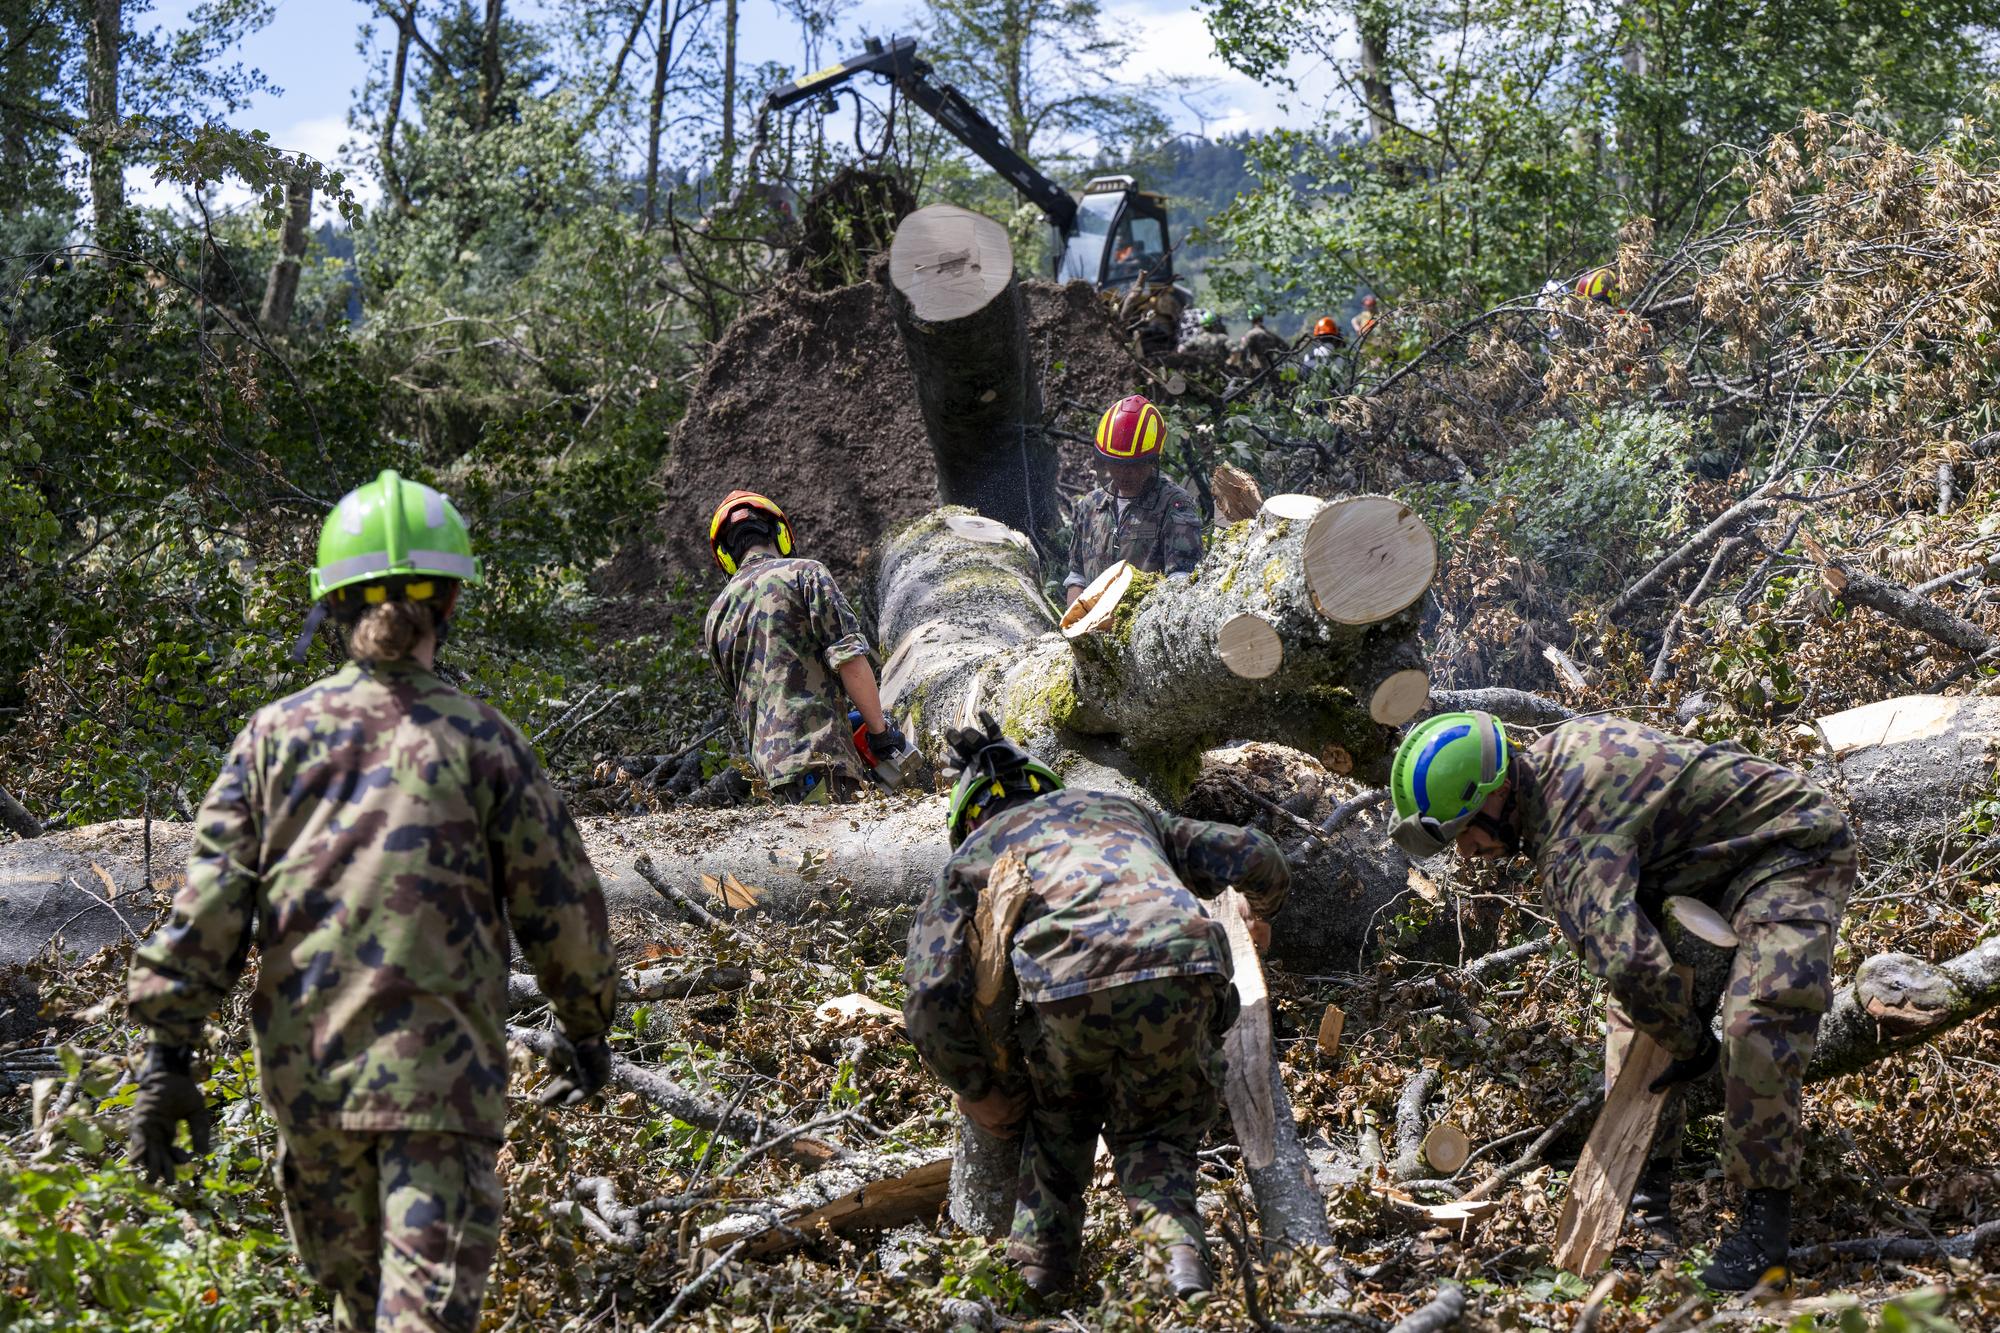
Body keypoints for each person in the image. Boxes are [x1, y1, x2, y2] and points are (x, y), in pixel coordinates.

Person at [126, 469, 618, 1333]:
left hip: (310, 1091)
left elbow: (207, 906)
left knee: (363, 1314)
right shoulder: (484, 739)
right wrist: (587, 1025)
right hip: (440, 1092)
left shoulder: (272, 738)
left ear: (336, 605)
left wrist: (168, 1053)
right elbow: (564, 909)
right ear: (452, 601)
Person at [1387, 711, 1854, 1290]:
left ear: (1498, 792)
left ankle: (1765, 1233)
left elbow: (1625, 958)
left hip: (1789, 846)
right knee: (1636, 1017)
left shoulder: (1571, 841)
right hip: (1702, 863)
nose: (1467, 851)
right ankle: (1647, 1203)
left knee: (1757, 1020)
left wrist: (1692, 1046)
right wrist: (1672, 1027)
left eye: (1465, 831)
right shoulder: (1552, 757)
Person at [903, 716, 1289, 1300]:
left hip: (1065, 992)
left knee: (1058, 1127)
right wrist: (1261, 914)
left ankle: (1038, 1286)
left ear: (966, 820)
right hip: (1185, 970)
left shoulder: (972, 857)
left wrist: (976, 1087)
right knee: (1156, 1135)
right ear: (1050, 787)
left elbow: (929, 992)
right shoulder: (1123, 812)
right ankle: (1180, 1277)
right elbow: (1256, 853)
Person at [703, 489, 904, 803]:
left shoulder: (717, 613)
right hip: (824, 762)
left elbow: (752, 697)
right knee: (840, 852)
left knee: (806, 852)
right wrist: (879, 733)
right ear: (781, 533)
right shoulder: (805, 574)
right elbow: (849, 658)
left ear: (726, 555)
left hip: (772, 775)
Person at [1063, 396, 1204, 607]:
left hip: (1145, 628)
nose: (1124, 473)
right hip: (1092, 628)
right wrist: (1074, 619)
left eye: (1134, 465)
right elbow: (1077, 576)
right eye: (1116, 464)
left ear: (1151, 461)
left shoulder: (1174, 506)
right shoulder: (1091, 506)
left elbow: (1182, 580)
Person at [1237, 306, 1287, 374]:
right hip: (1271, 370)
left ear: (1251, 319)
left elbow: (1242, 352)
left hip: (1257, 373)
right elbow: (1286, 349)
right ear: (1262, 318)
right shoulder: (1270, 334)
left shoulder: (1250, 334)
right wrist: (1276, 363)